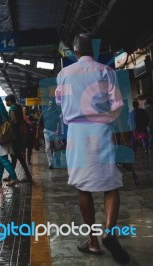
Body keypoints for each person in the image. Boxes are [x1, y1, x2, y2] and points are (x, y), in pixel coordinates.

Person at [55, 33, 130, 264]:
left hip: (76, 134)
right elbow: (118, 103)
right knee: (111, 184)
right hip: (101, 131)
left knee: (83, 187)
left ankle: (93, 242)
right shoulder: (105, 71)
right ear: (93, 51)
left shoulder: (64, 75)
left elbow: (60, 102)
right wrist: (106, 117)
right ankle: (108, 231)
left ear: (76, 52)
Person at [4, 94, 32, 182]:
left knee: (18, 157)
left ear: (9, 101)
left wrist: (7, 124)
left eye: (6, 101)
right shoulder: (18, 108)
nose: (6, 103)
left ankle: (28, 175)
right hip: (19, 135)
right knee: (14, 157)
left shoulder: (12, 109)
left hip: (14, 136)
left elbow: (14, 121)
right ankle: (11, 175)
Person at [36, 99, 61, 169]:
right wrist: (37, 134)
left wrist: (59, 131)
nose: (50, 105)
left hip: (55, 132)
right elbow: (39, 124)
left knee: (57, 147)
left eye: (52, 104)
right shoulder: (44, 113)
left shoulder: (58, 113)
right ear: (48, 105)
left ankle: (57, 158)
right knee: (48, 148)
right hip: (47, 131)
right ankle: (50, 163)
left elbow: (60, 123)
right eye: (49, 104)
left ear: (54, 106)